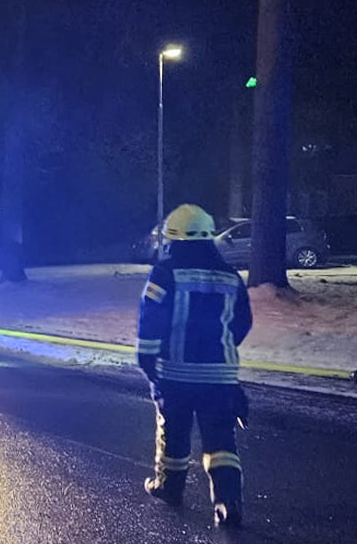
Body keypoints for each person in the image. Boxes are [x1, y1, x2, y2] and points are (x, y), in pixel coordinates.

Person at [138, 202, 253, 530]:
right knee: (221, 441)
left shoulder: (165, 273)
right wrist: (221, 349)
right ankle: (228, 502)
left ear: (174, 239)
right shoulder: (230, 275)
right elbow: (242, 322)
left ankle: (169, 487)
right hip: (220, 377)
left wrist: (148, 360)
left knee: (174, 434)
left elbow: (151, 318)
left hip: (175, 374)